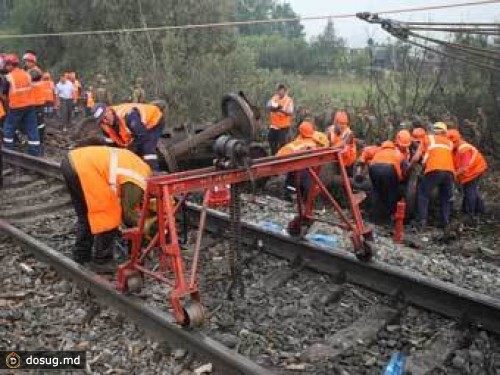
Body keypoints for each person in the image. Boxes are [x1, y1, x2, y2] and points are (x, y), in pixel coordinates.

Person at [61, 146, 152, 266]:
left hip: (72, 161)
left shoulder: (140, 168)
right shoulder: (138, 181)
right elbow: (128, 213)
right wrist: (145, 231)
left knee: (86, 214)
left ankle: (81, 255)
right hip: (86, 168)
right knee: (108, 215)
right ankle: (103, 261)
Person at [93, 103, 165, 171]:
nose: (105, 121)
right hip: (138, 128)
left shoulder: (128, 115)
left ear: (109, 110)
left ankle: (154, 171)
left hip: (154, 119)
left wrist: (131, 149)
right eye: (102, 121)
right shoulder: (105, 126)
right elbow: (112, 144)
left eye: (105, 117)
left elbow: (142, 136)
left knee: (147, 146)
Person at [416, 122, 455, 230]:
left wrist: (414, 166)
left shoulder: (428, 138)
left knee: (423, 193)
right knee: (445, 198)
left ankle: (422, 221)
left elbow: (417, 156)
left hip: (434, 169)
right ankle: (445, 222)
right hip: (449, 172)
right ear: (445, 132)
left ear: (433, 130)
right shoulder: (450, 143)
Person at [1, 54, 41, 156]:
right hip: (30, 105)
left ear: (10, 65)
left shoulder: (8, 77)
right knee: (32, 128)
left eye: (6, 65)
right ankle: (35, 151)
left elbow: (4, 95)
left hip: (16, 106)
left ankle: (9, 150)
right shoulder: (27, 74)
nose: (5, 67)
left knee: (8, 128)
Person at [447, 129, 488, 224]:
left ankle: (470, 214)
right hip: (469, 172)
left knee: (470, 191)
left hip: (475, 170)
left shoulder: (464, 149)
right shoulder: (455, 149)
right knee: (471, 191)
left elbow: (464, 168)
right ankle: (480, 210)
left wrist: (454, 175)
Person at [368, 141, 408, 224]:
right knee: (391, 193)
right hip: (389, 170)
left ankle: (373, 218)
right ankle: (388, 218)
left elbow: (366, 156)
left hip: (373, 168)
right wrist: (403, 179)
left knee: (376, 192)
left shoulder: (378, 151)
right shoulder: (398, 153)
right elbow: (405, 168)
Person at [23, 52, 47, 149]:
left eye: (28, 62)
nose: (26, 64)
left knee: (39, 123)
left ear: (33, 62)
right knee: (35, 122)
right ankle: (35, 140)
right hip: (33, 101)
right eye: (25, 62)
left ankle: (40, 141)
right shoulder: (30, 71)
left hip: (38, 102)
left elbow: (27, 79)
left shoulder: (35, 71)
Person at [267, 83, 294, 155]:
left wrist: (280, 110)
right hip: (274, 125)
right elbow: (268, 105)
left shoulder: (288, 100)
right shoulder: (274, 98)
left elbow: (290, 112)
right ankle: (274, 156)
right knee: (271, 140)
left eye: (280, 90)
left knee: (282, 143)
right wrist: (271, 107)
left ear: (284, 91)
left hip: (283, 126)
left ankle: (282, 157)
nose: (279, 92)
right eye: (278, 90)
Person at [327, 110, 356, 175]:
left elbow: (342, 143)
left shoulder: (349, 133)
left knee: (347, 177)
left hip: (348, 159)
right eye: (341, 123)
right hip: (336, 158)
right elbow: (327, 141)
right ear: (335, 122)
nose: (343, 126)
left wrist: (331, 149)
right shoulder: (330, 130)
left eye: (345, 124)